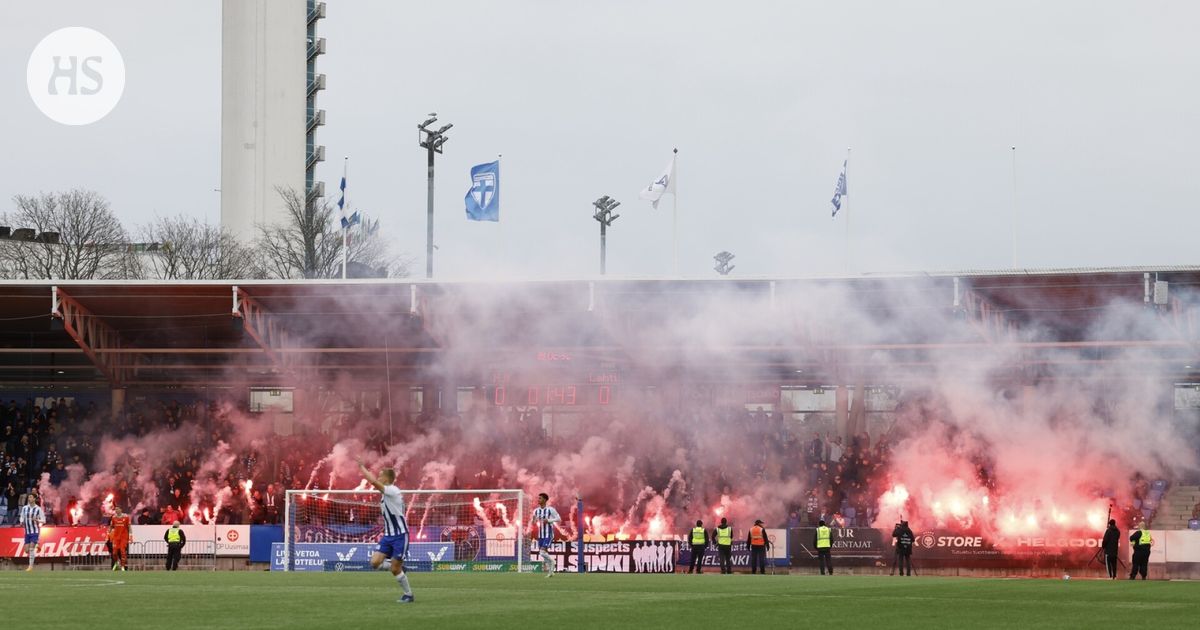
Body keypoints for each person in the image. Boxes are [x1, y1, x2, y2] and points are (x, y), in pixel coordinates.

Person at [356, 458, 414, 603]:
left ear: (387, 478)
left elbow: (374, 482)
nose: (379, 477)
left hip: (400, 535)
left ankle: (408, 595)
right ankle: (400, 567)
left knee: (395, 570)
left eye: (381, 475)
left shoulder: (392, 490)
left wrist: (362, 466)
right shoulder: (386, 494)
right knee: (374, 563)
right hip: (388, 536)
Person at [531, 492, 561, 577]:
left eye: (540, 498)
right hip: (540, 535)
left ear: (545, 500)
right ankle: (551, 572)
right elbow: (534, 522)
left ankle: (552, 562)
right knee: (544, 554)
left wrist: (549, 520)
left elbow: (559, 519)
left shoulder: (550, 509)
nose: (538, 499)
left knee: (542, 552)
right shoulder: (536, 511)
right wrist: (533, 520)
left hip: (548, 533)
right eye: (538, 498)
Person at [19, 494, 45, 572]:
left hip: (35, 531)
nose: (29, 498)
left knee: (31, 549)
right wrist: (21, 521)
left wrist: (37, 520)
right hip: (27, 532)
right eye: (29, 497)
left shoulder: (38, 509)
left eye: (31, 497)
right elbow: (22, 516)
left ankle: (30, 567)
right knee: (26, 550)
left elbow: (44, 520)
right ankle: (37, 545)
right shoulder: (24, 508)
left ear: (34, 499)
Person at [108, 505, 132, 571]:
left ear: (121, 510)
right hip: (116, 538)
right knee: (114, 552)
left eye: (117, 509)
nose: (116, 510)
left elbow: (129, 527)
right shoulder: (113, 517)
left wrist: (131, 536)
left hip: (124, 537)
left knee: (122, 551)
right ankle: (116, 563)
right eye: (115, 509)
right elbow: (111, 526)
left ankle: (123, 566)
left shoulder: (126, 517)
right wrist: (108, 534)